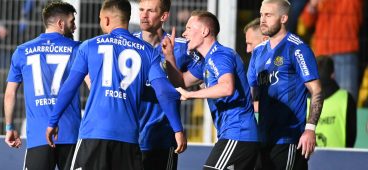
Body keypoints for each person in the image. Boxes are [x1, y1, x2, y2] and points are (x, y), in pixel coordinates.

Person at [45, 1, 186, 170]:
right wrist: (178, 129)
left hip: (94, 134)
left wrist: (53, 122)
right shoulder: (147, 51)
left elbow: (69, 87)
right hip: (129, 138)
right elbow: (165, 92)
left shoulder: (89, 45)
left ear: (105, 19)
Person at [165, 11, 259, 170]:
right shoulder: (206, 61)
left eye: (189, 28)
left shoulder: (220, 55)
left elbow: (226, 87)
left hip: (238, 133)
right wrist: (169, 57)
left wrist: (191, 95)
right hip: (234, 134)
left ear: (204, 31)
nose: (184, 33)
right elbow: (181, 81)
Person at [4, 2, 81, 170]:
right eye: (72, 21)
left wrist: (9, 127)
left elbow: (10, 93)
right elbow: (93, 85)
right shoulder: (77, 50)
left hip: (38, 136)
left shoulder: (22, 51)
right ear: (61, 24)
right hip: (70, 134)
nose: (74, 27)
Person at [247, 0, 323, 169]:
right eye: (261, 14)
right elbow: (249, 93)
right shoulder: (258, 51)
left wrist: (310, 129)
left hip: (288, 139)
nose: (262, 20)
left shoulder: (297, 49)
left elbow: (316, 90)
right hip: (263, 138)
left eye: (268, 15)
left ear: (283, 18)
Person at [134, 0, 193, 169]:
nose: (144, 15)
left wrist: (195, 89)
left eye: (150, 11)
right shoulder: (128, 46)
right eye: (141, 10)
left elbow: (205, 74)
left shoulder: (181, 48)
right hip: (130, 137)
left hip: (162, 139)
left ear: (164, 16)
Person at [300, 0, 363, 101]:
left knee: (347, 98)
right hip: (322, 53)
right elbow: (306, 21)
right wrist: (312, 4)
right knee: (317, 97)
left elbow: (356, 15)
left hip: (345, 51)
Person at [308, 57, 356, 148]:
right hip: (340, 158)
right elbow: (351, 134)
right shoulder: (346, 98)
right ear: (333, 74)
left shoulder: (304, 99)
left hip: (309, 158)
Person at [243, 17, 269, 113]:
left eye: (250, 44)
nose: (247, 50)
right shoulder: (255, 61)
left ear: (265, 40)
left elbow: (279, 103)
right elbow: (250, 96)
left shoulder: (284, 61)